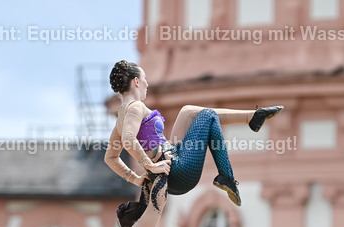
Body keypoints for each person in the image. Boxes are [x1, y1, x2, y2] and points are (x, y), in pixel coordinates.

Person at [104, 59, 283, 211]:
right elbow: (128, 139)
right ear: (136, 81)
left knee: (188, 112)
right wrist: (149, 165)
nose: (147, 84)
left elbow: (110, 157)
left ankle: (252, 117)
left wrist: (135, 179)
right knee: (208, 115)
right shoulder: (135, 107)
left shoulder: (122, 115)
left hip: (169, 167)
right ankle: (226, 176)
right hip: (177, 171)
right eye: (145, 78)